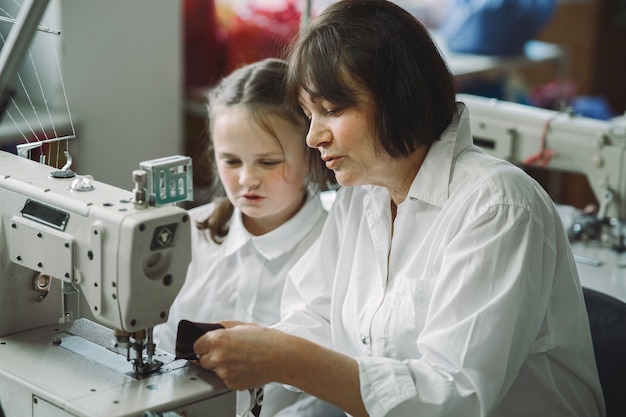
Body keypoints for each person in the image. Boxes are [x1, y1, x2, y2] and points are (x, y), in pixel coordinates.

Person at [191, 1, 606, 417]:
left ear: (399, 97)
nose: (313, 136)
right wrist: (260, 345)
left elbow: (454, 396)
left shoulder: (497, 206)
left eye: (332, 111)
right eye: (308, 114)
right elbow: (318, 314)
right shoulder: (362, 193)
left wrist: (284, 358)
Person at [153, 57, 341, 416]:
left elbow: (326, 393)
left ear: (312, 153)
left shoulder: (337, 248)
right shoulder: (189, 234)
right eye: (231, 161)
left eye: (268, 162)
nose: (246, 180)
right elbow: (161, 349)